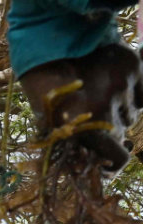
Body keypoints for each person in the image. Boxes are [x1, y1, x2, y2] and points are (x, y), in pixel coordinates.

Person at [9, 0, 143, 170]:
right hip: (48, 58)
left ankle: (95, 140)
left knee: (128, 64)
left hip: (81, 52)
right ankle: (89, 138)